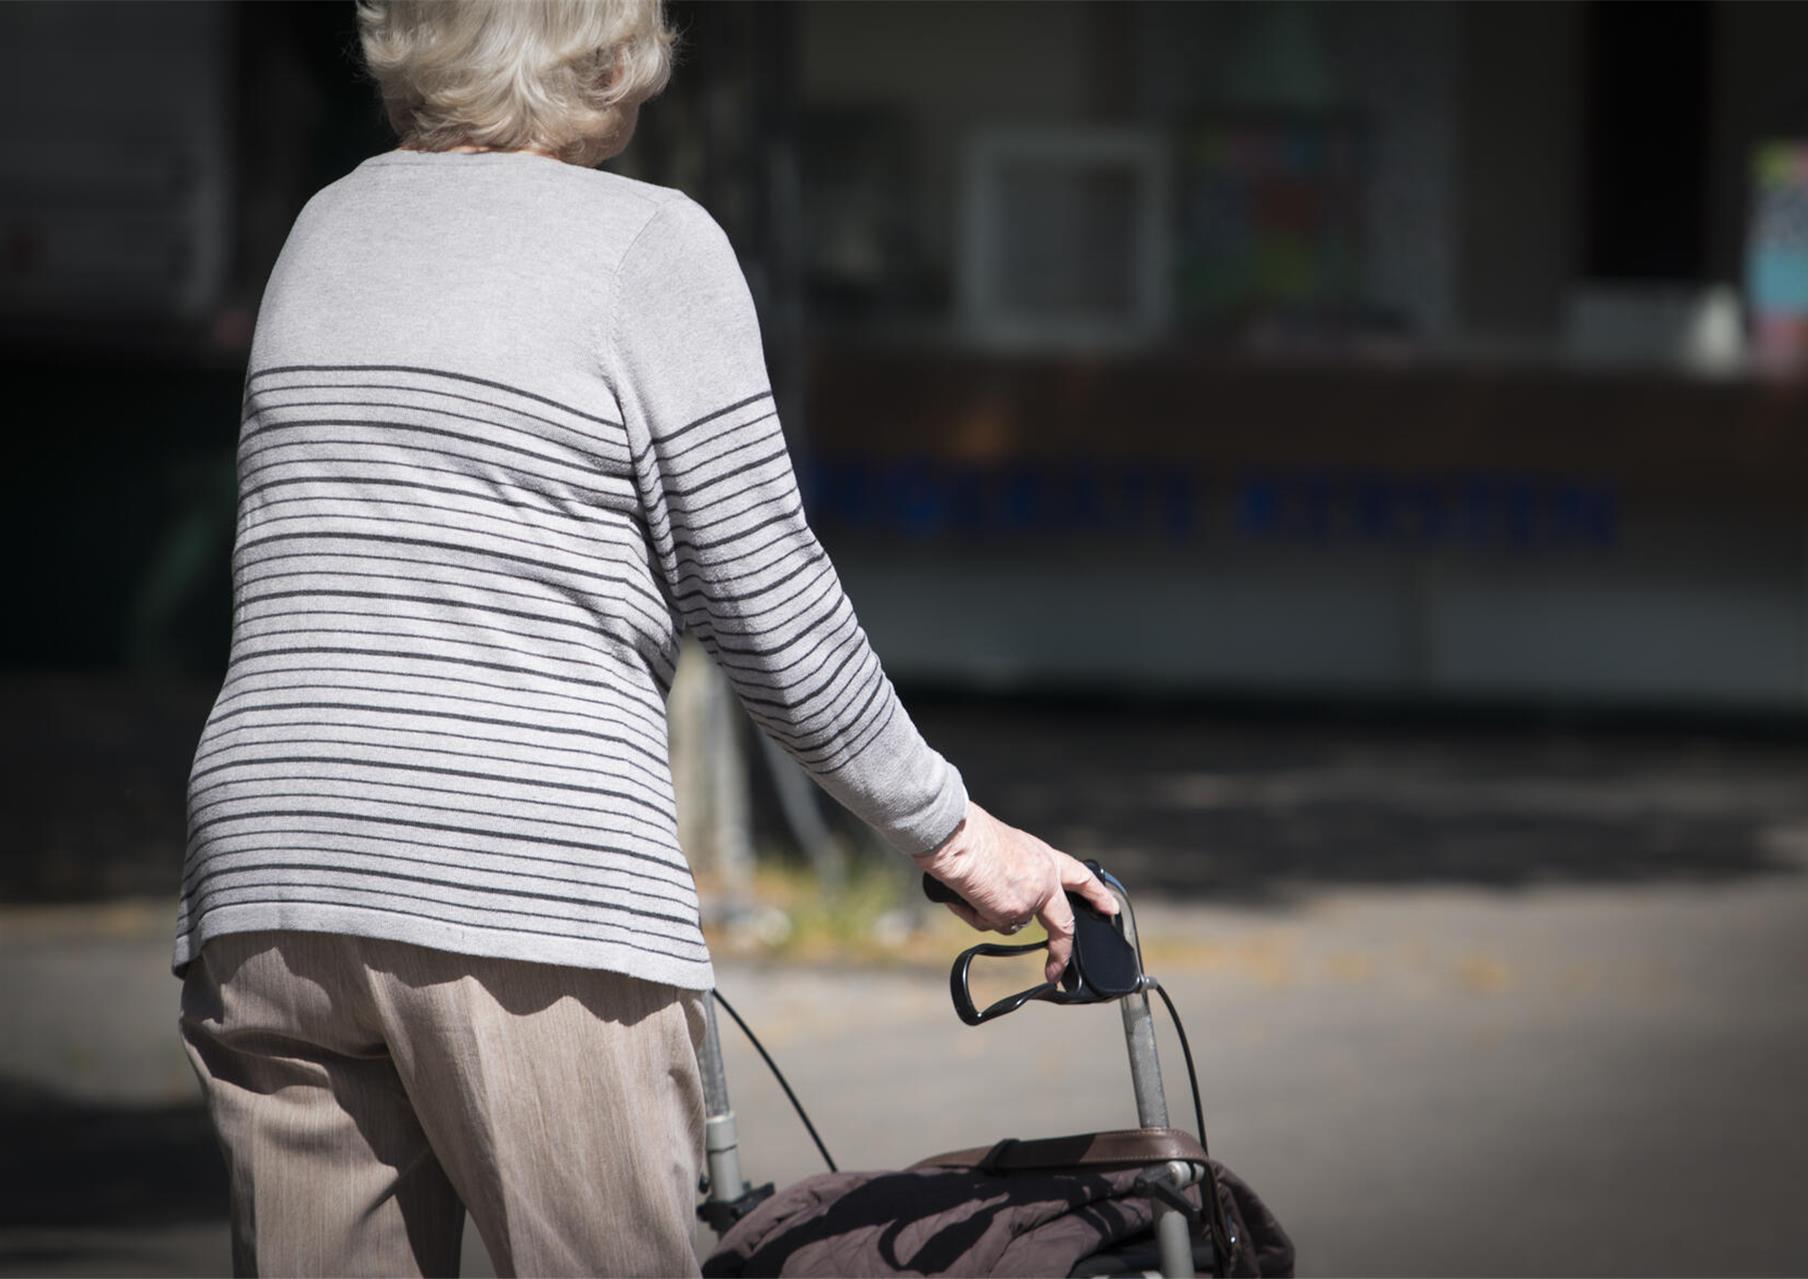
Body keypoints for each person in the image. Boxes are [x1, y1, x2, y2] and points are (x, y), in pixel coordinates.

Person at [172, 1, 1121, 1275]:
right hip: (521, 882)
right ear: (613, 57)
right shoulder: (646, 244)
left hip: (268, 875)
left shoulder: (327, 223)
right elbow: (764, 596)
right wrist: (955, 835)